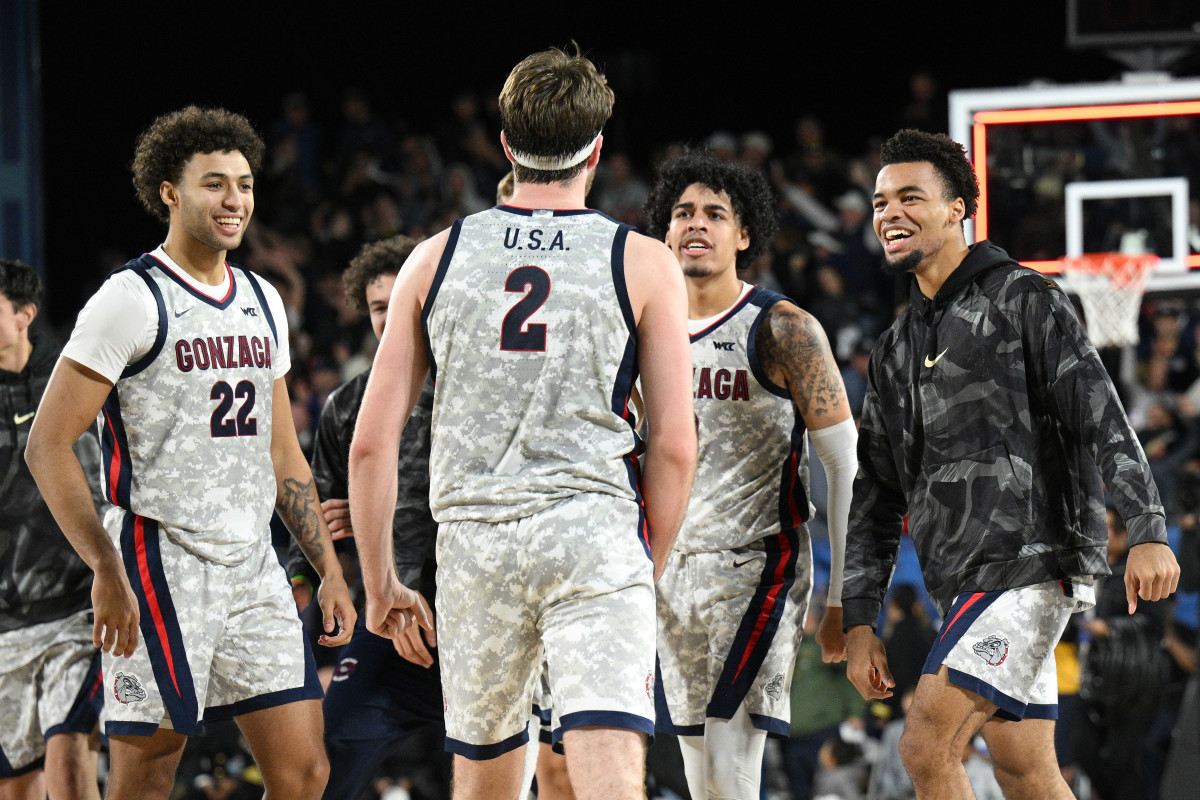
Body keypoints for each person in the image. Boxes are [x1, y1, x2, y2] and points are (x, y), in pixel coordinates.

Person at [349, 46, 697, 800]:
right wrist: (646, 564)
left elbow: (372, 442)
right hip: (589, 531)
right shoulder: (640, 259)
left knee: (485, 782)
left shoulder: (433, 259)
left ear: (505, 146)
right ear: (597, 150)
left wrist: (381, 585)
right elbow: (673, 444)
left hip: (475, 544)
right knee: (609, 776)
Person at [25, 106, 356, 800]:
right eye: (214, 184)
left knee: (304, 773)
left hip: (252, 567)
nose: (234, 200)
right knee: (148, 778)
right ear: (169, 192)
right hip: (158, 564)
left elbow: (283, 451)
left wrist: (325, 568)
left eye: (243, 183)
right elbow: (48, 443)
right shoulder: (130, 298)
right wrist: (104, 565)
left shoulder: (265, 300)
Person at [842, 128, 1181, 800]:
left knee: (925, 744)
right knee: (1025, 771)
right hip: (962, 581)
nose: (889, 213)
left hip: (1029, 562)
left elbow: (1099, 412)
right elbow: (876, 494)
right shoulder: (894, 348)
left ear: (960, 207)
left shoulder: (1025, 296)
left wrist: (1145, 526)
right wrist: (859, 617)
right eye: (880, 202)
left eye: (911, 196)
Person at [642, 149, 858, 800]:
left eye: (715, 213)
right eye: (683, 213)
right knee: (697, 770)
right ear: (665, 231)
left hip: (759, 567)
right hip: (669, 572)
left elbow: (844, 466)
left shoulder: (784, 328)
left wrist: (844, 594)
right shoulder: (639, 330)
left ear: (744, 235)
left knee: (733, 764)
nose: (696, 223)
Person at [284, 235, 446, 800]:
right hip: (391, 619)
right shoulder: (345, 406)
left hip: (479, 616)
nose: (392, 316)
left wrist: (367, 516)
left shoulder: (472, 390)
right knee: (325, 761)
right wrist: (319, 565)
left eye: (405, 299)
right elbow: (316, 522)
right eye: (380, 306)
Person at [0, 259, 104, 800]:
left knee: (68, 758)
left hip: (76, 608)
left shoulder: (75, 382)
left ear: (24, 315)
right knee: (17, 788)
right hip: (4, 623)